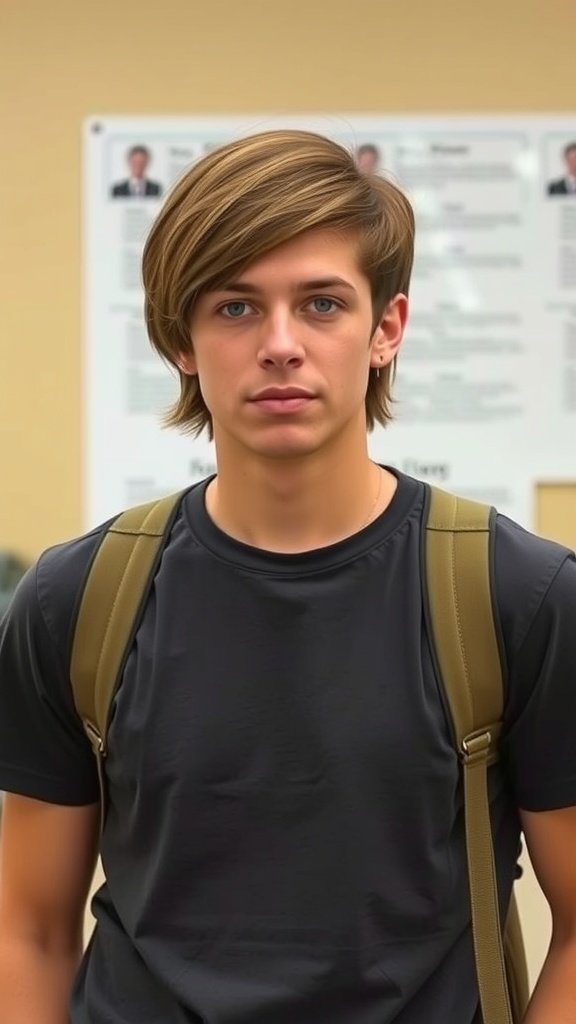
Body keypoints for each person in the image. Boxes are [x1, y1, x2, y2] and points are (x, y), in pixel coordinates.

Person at [0, 129, 575, 1024]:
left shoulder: (518, 596)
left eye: (321, 304)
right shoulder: (77, 602)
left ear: (386, 328)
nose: (279, 345)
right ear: (179, 340)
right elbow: (29, 931)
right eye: (234, 307)